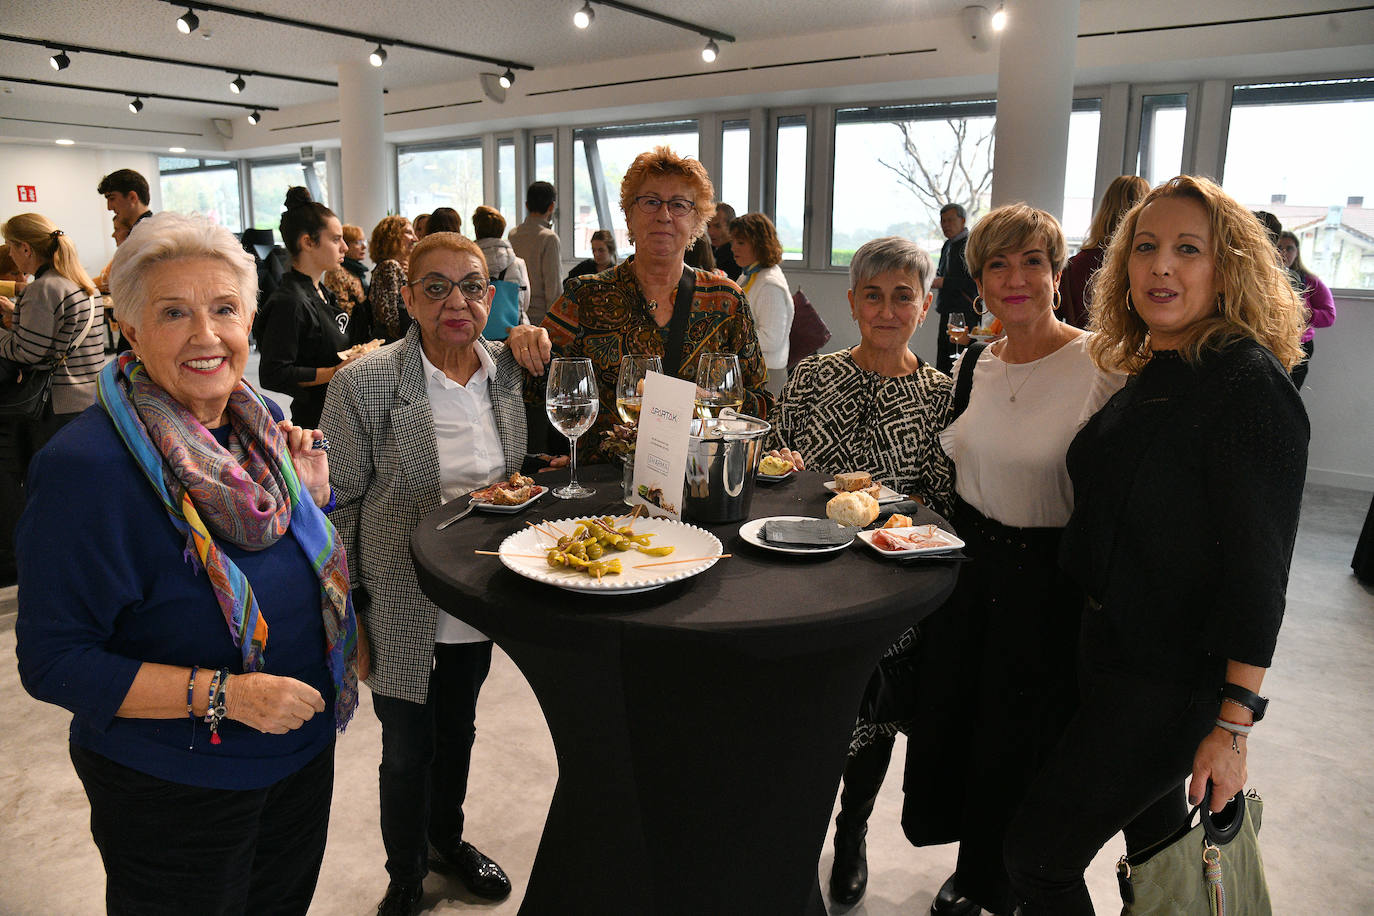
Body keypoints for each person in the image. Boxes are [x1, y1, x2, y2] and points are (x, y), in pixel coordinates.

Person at [15, 211, 359, 916]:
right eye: (174, 312)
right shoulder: (86, 469)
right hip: (175, 785)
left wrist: (311, 503)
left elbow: (266, 554)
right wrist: (227, 696)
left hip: (299, 757)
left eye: (224, 309)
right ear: (132, 330)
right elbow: (53, 662)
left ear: (250, 320)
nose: (207, 336)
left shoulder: (259, 424)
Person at [1004, 176, 1310, 915]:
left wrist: (1234, 726)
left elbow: (1258, 576)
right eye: (1144, 248)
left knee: (1035, 860)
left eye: (1186, 249)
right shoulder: (1158, 371)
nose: (1160, 267)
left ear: (1227, 267)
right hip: (1107, 655)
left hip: (1169, 681)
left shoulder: (1247, 384)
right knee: (1160, 855)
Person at [903, 203, 1124, 916]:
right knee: (970, 735)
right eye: (997, 263)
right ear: (978, 283)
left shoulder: (1102, 365)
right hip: (969, 578)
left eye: (1034, 260)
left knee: (1028, 748)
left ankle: (1024, 888)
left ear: (1060, 274)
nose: (1016, 277)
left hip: (1049, 585)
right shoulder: (974, 362)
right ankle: (976, 878)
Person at [321, 232, 527, 916]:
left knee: (460, 728)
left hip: (480, 592)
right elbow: (339, 505)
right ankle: (405, 877)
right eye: (434, 287)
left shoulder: (510, 371)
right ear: (408, 299)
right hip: (397, 595)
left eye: (470, 285)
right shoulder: (366, 381)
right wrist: (346, 620)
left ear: (490, 297)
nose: (455, 302)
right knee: (408, 747)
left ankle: (447, 842)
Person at [764, 236, 955, 906]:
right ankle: (793, 837)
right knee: (801, 720)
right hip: (797, 582)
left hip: (883, 594)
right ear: (852, 302)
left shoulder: (941, 396)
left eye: (903, 295)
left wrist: (894, 512)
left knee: (869, 721)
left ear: (925, 304)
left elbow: (941, 503)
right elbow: (775, 466)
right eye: (872, 295)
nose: (886, 309)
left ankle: (852, 832)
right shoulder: (816, 377)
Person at [507, 146, 773, 460]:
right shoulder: (585, 296)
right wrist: (519, 341)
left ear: (697, 219)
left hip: (699, 480)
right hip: (603, 485)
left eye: (679, 204)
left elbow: (762, 404)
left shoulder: (725, 301)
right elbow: (535, 387)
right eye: (650, 202)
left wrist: (706, 405)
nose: (664, 215)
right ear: (629, 215)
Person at [0, 213, 105, 475]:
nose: (10, 254)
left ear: (25, 248)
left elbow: (26, 352)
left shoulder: (42, 289)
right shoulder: (84, 285)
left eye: (11, 246)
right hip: (90, 397)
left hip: (57, 406)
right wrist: (18, 315)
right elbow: (63, 334)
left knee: (53, 479)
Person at [257, 188, 355, 428]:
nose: (345, 248)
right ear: (308, 242)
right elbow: (273, 374)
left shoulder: (322, 292)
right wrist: (333, 372)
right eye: (335, 239)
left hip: (339, 413)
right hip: (317, 422)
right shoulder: (290, 302)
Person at [1058, 175, 1149, 329]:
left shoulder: (1073, 266)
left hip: (1082, 350)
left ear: (1105, 209)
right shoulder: (1141, 265)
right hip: (1132, 351)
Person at [729, 212, 794, 378]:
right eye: (733, 241)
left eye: (741, 242)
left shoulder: (770, 284)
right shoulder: (749, 274)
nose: (733, 248)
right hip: (751, 369)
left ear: (760, 245)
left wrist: (729, 336)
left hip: (767, 374)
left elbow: (771, 339)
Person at [1278, 230, 1335, 389]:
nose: (1283, 252)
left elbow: (1329, 315)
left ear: (1297, 252)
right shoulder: (1261, 278)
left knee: (1289, 395)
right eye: (1279, 247)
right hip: (1271, 344)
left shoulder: (1310, 281)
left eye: (1289, 248)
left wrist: (1307, 314)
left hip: (1299, 346)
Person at [931, 203, 979, 375]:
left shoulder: (971, 245)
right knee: (943, 360)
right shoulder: (947, 245)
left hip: (965, 312)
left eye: (950, 220)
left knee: (960, 362)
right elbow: (941, 272)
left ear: (963, 220)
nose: (946, 225)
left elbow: (974, 281)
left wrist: (944, 282)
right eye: (943, 221)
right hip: (946, 311)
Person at [508, 180, 561, 326]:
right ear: (552, 206)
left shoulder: (513, 235)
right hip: (541, 319)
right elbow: (553, 288)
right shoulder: (549, 238)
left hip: (516, 314)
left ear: (527, 205)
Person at [472, 205, 531, 328]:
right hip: (512, 333)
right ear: (501, 231)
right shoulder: (517, 263)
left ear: (476, 230)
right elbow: (524, 303)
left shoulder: (469, 263)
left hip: (478, 333)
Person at [369, 215, 418, 343]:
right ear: (392, 236)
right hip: (394, 343)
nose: (415, 239)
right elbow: (389, 316)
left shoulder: (391, 266)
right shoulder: (389, 266)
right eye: (408, 233)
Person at [322, 224, 370, 331]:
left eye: (364, 241)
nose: (364, 246)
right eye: (358, 242)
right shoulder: (336, 270)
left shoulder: (357, 271)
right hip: (349, 330)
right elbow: (341, 308)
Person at [97, 168, 153, 233]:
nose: (109, 208)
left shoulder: (150, 235)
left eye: (112, 199)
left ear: (132, 197)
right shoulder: (142, 232)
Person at [707, 202, 741, 280]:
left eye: (717, 226)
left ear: (730, 226)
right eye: (708, 226)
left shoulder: (737, 256)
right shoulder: (707, 251)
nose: (711, 232)